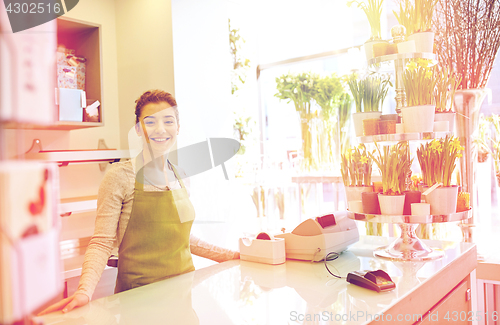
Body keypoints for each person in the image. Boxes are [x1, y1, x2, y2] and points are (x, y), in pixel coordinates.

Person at [39, 90, 239, 315]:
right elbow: (102, 242)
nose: (160, 129)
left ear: (177, 128)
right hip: (138, 301)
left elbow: (182, 238)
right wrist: (84, 291)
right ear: (137, 129)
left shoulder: (182, 176)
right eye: (150, 122)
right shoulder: (120, 176)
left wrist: (233, 256)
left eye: (168, 121)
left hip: (182, 298)